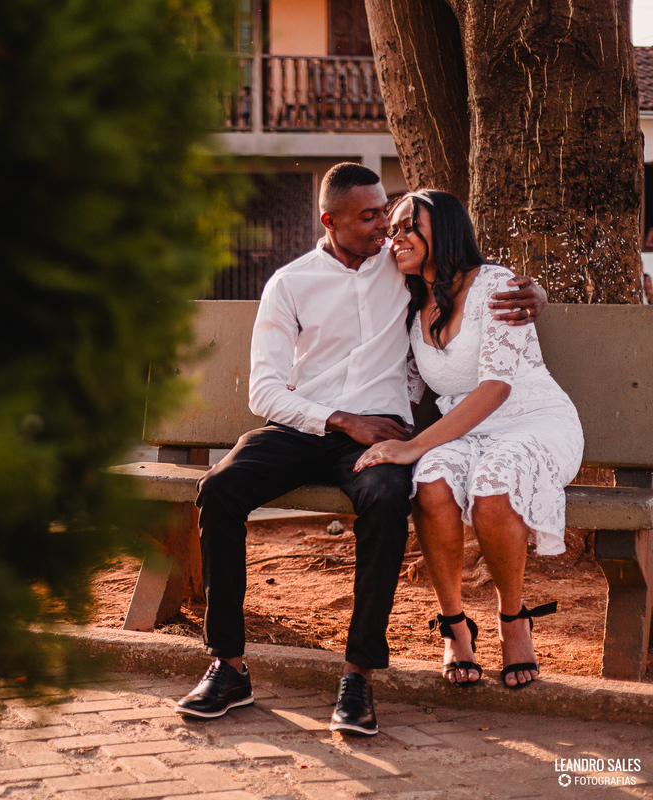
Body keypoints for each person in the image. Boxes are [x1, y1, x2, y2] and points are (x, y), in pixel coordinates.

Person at [174, 164, 547, 734]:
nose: (386, 227)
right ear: (330, 221)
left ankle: (359, 674)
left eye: (387, 213)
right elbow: (265, 391)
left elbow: (469, 274)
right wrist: (341, 419)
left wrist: (532, 292)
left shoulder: (400, 270)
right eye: (370, 216)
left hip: (383, 437)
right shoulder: (290, 283)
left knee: (385, 498)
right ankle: (227, 663)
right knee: (220, 490)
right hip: (307, 427)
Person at [356, 189, 582, 689]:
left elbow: (497, 387)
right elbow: (403, 386)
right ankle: (455, 627)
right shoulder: (411, 304)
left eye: (407, 225)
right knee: (432, 483)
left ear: (447, 228)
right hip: (466, 429)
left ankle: (513, 620)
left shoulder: (497, 286)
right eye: (391, 229)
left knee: (493, 487)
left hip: (531, 420)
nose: (396, 238)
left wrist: (413, 446)